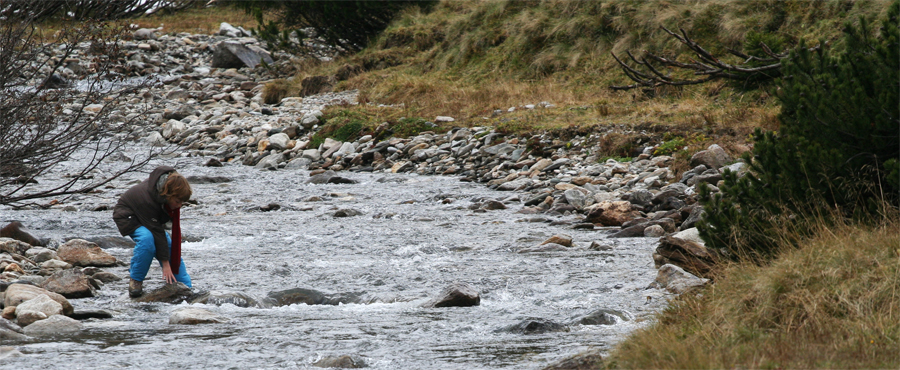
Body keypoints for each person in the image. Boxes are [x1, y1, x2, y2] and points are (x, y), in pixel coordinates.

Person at [113, 166, 192, 298]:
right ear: (168, 194)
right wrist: (165, 265)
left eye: (182, 202)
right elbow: (156, 232)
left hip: (148, 217)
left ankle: (186, 287)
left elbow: (159, 232)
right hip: (128, 216)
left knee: (169, 246)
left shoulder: (164, 189)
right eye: (177, 201)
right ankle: (136, 281)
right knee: (147, 240)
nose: (179, 205)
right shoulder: (148, 200)